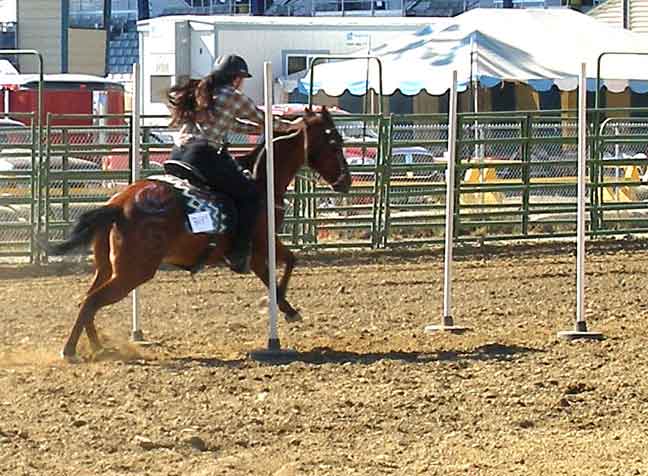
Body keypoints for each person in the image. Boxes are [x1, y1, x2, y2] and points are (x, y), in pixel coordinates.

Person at [165, 54, 299, 274]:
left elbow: (232, 124)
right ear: (237, 78)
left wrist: (258, 130)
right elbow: (262, 118)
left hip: (178, 154)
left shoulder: (202, 91)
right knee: (251, 196)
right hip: (202, 155)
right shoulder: (233, 96)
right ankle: (238, 251)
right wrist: (293, 126)